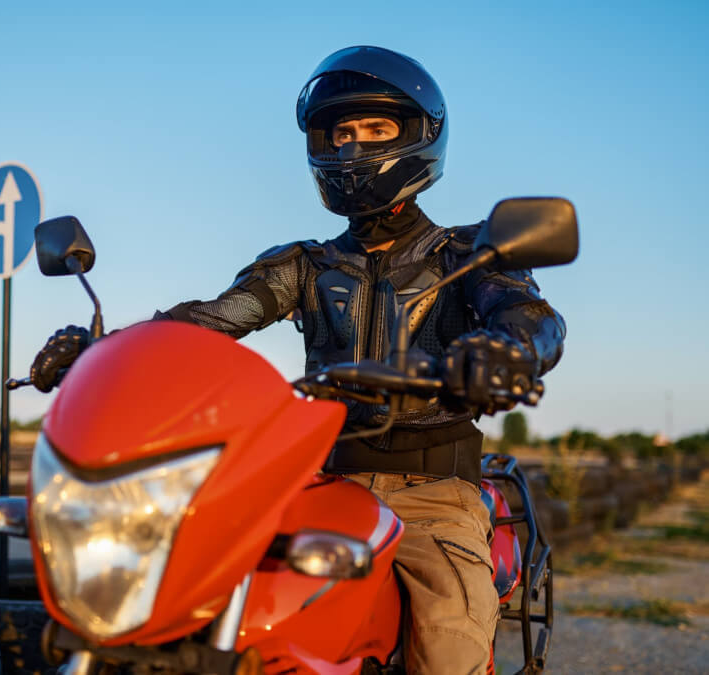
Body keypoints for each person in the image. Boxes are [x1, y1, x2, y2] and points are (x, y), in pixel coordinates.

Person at [30, 45, 565, 674]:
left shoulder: (465, 254)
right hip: (318, 481)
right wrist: (108, 352)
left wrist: (507, 350)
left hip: (432, 495)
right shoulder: (303, 265)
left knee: (449, 639)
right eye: (342, 133)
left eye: (375, 129)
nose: (354, 147)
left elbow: (531, 316)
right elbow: (210, 321)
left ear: (419, 136)